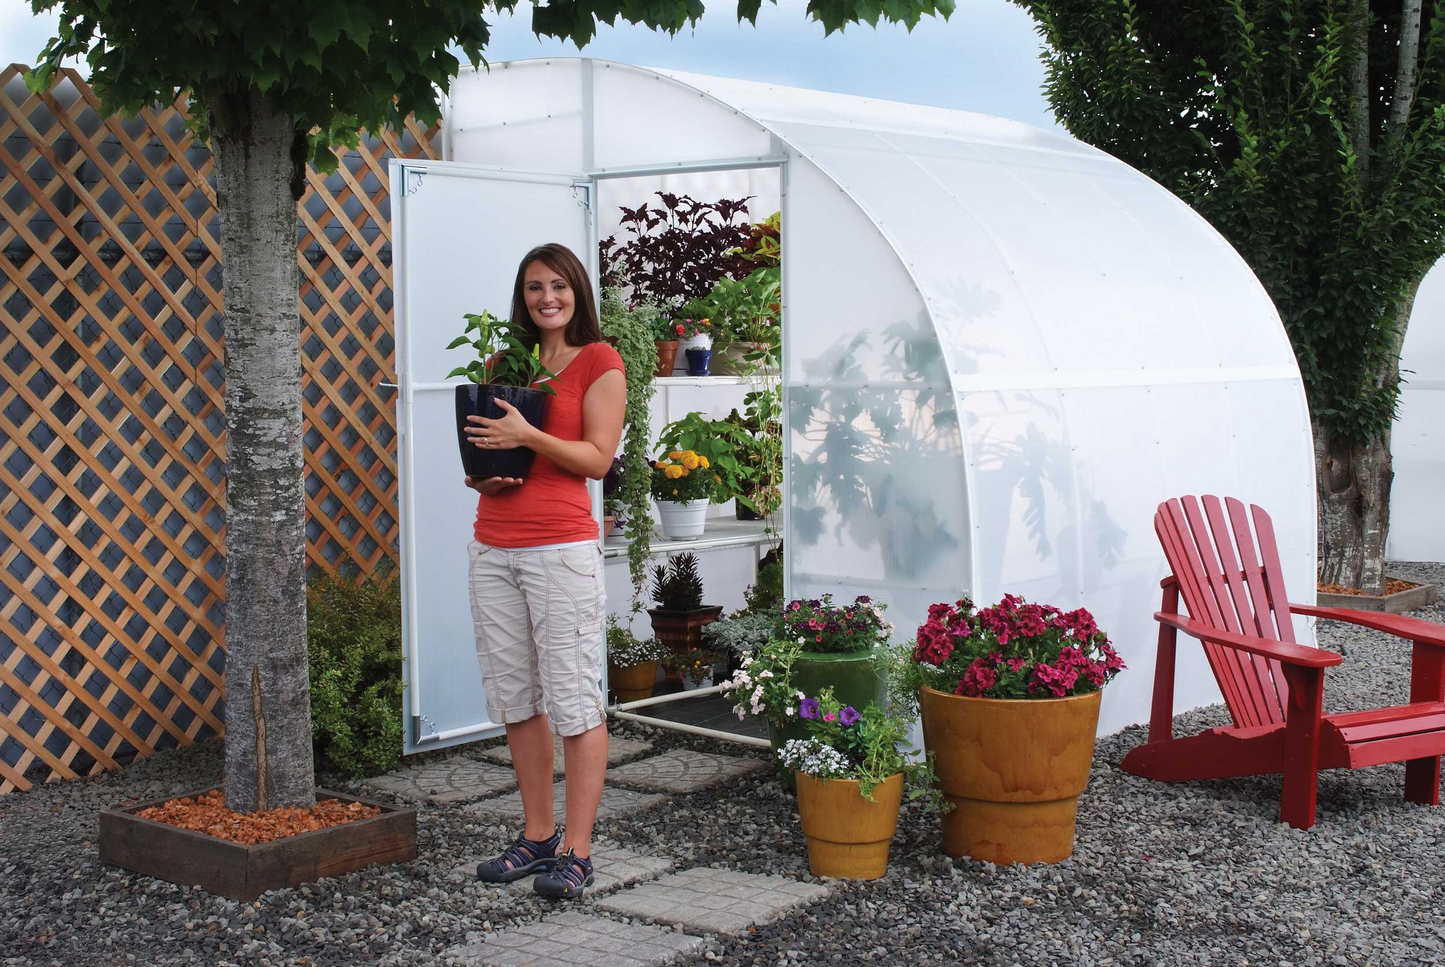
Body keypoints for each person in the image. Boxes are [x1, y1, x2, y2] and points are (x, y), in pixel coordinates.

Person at [463, 243, 626, 900]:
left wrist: (528, 438)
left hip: (559, 549)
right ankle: (536, 835)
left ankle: (577, 849)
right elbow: (478, 462)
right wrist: (486, 473)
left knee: (573, 700)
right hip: (493, 544)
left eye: (557, 285)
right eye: (534, 287)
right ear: (522, 297)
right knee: (515, 697)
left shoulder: (600, 361)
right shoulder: (506, 364)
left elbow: (595, 458)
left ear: (576, 291)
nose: (545, 297)